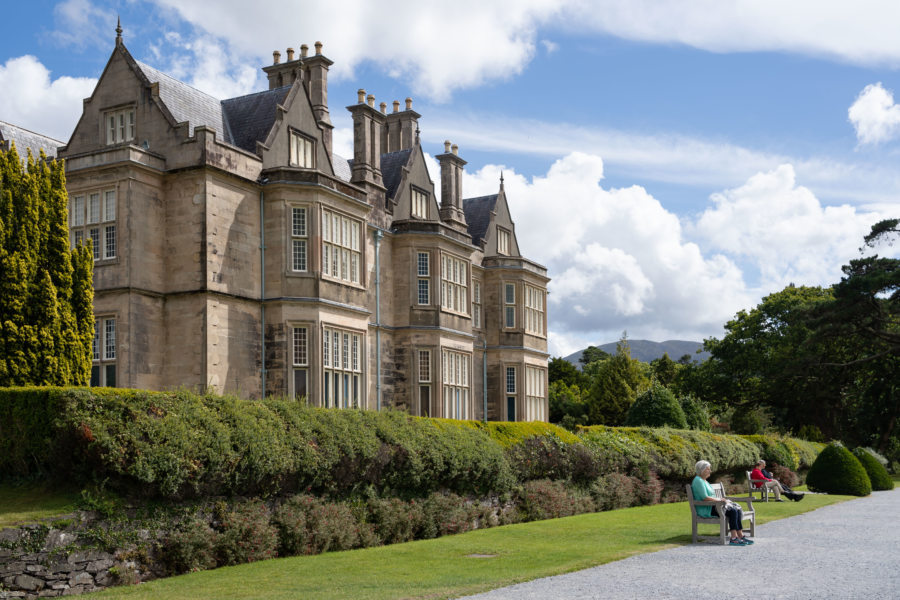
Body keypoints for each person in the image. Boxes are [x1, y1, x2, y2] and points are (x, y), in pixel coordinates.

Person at [692, 460, 753, 546]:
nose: (710, 471)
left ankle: (740, 535)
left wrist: (722, 499)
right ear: (701, 470)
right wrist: (719, 500)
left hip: (714, 506)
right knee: (733, 511)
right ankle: (734, 538)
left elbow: (710, 496)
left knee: (736, 509)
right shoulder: (698, 480)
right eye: (707, 469)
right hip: (707, 508)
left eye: (709, 469)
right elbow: (705, 498)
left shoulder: (704, 480)